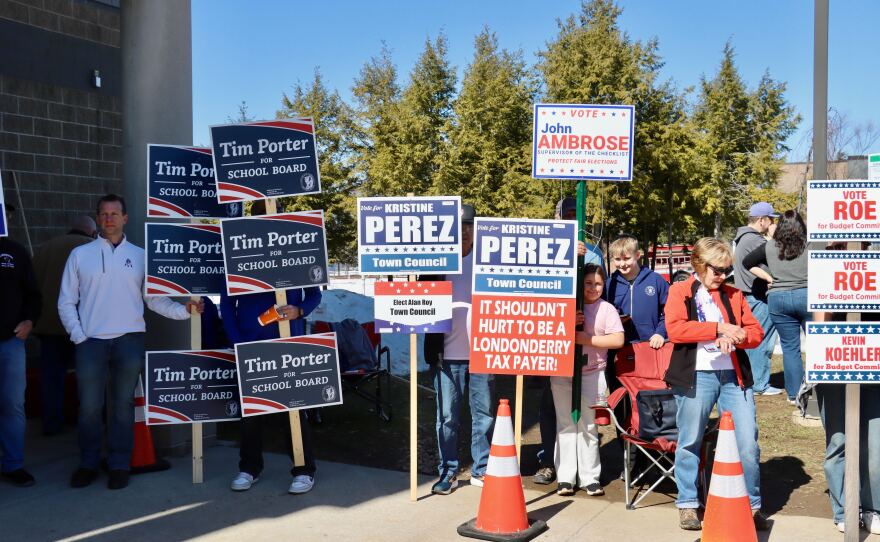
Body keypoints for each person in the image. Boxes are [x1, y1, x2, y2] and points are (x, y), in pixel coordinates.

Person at [58, 194, 203, 490]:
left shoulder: (141, 256)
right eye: (104, 213)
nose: (109, 218)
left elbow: (154, 300)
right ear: (98, 219)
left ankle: (119, 464)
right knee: (88, 406)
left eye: (115, 213)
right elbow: (66, 302)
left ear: (125, 218)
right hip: (91, 342)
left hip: (129, 340)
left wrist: (183, 311)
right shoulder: (80, 255)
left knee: (123, 407)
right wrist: (79, 335)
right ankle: (88, 464)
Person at [665, 237, 768, 531]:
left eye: (726, 270)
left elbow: (755, 333)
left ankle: (751, 506)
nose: (722, 276)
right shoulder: (679, 291)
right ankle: (687, 504)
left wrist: (737, 337)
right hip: (695, 376)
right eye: (717, 270)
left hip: (733, 378)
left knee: (748, 442)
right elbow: (676, 329)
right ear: (699, 264)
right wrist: (717, 329)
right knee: (690, 440)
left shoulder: (734, 295)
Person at [222, 199, 322, 495]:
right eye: (259, 219)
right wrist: (236, 340)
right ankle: (249, 467)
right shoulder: (237, 252)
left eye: (271, 219)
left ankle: (304, 470)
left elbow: (314, 294)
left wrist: (299, 310)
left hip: (288, 342)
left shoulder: (295, 249)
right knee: (251, 412)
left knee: (294, 410)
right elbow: (227, 303)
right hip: (250, 343)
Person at [423, 204, 494, 494]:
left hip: (482, 353)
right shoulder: (437, 263)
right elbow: (417, 299)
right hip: (445, 356)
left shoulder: (488, 261)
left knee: (484, 414)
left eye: (469, 226)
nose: (464, 232)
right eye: (459, 227)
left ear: (476, 230)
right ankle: (448, 472)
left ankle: (482, 470)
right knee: (447, 417)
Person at [551, 263, 624, 496]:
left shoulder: (607, 309)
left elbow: (617, 340)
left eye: (598, 283)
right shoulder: (567, 306)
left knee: (588, 425)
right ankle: (565, 477)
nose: (593, 288)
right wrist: (568, 323)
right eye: (588, 283)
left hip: (593, 373)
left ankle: (590, 476)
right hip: (563, 372)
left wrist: (586, 338)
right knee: (565, 423)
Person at [534, 196, 587, 485]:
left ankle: (577, 464)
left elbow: (594, 291)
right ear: (557, 218)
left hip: (582, 341)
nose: (571, 221)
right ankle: (547, 461)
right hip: (551, 340)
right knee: (548, 404)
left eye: (576, 215)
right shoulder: (543, 248)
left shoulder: (590, 253)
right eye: (567, 215)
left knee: (582, 405)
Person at [32, 215, 97, 435]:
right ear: (91, 231)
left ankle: (52, 423)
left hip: (49, 325)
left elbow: (33, 285)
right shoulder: (92, 248)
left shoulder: (45, 248)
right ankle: (87, 424)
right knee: (88, 377)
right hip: (83, 326)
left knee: (52, 377)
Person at [741, 210, 809, 403]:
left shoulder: (770, 246)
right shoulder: (809, 244)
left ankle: (794, 394)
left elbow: (746, 262)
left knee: (790, 348)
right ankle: (818, 388)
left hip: (778, 299)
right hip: (807, 296)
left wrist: (768, 277)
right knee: (817, 346)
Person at [0, 209, 42, 487]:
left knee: (13, 405)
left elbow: (33, 295)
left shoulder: (15, 252)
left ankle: (13, 464)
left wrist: (29, 320)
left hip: (11, 343)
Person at [733, 202, 783, 396]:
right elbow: (777, 261)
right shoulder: (754, 240)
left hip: (749, 295)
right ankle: (759, 383)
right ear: (762, 220)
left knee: (754, 338)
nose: (772, 224)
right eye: (771, 220)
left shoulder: (743, 238)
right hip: (757, 296)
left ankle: (754, 381)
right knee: (762, 339)